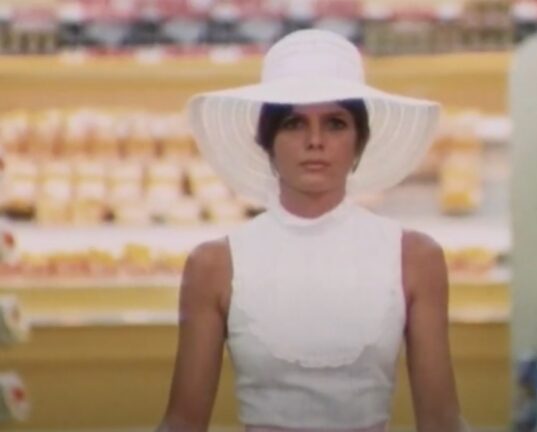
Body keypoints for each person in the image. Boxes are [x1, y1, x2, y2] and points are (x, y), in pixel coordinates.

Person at [157, 29, 464, 432]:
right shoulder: (214, 265)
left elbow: (441, 421)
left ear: (358, 141)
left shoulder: (413, 258)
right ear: (267, 140)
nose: (315, 141)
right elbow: (183, 422)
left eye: (335, 123)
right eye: (294, 123)